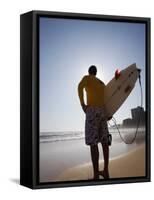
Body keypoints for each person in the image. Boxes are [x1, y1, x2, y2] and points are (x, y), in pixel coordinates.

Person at [78, 65, 110, 180]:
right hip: (102, 112)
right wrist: (108, 113)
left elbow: (79, 87)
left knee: (93, 143)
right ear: (96, 73)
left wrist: (83, 105)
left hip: (92, 111)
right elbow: (107, 98)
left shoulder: (87, 78)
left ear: (89, 72)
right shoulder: (101, 83)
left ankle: (96, 175)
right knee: (105, 142)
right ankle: (106, 171)